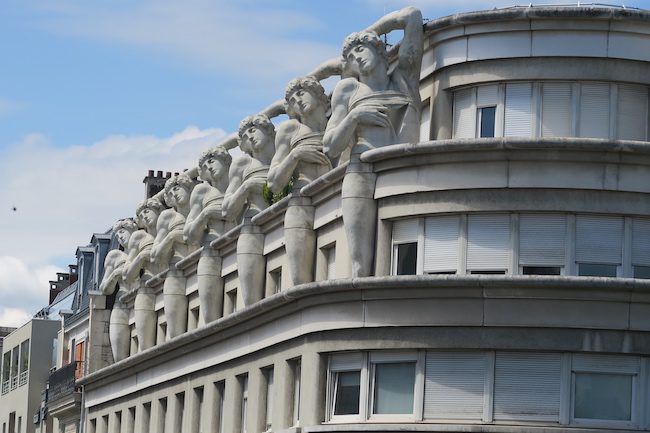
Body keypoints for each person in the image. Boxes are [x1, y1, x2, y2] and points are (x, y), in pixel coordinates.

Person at [323, 6, 423, 277]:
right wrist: (354, 117)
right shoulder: (349, 91)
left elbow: (412, 15)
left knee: (407, 249)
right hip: (361, 168)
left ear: (379, 51)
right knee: (360, 266)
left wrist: (371, 32)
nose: (357, 57)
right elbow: (329, 145)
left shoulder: (404, 78)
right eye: (351, 57)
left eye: (361, 50)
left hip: (402, 166)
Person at [267, 76, 333, 286]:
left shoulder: (337, 120)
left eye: (301, 93)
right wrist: (295, 156)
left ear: (317, 94)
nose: (298, 101)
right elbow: (273, 184)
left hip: (333, 195)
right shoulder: (290, 131)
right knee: (299, 279)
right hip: (300, 200)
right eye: (292, 99)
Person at [223, 114, 276, 305]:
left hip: (280, 219)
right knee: (250, 297)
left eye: (253, 131)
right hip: (251, 225)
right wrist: (246, 188)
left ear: (268, 129)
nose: (250, 138)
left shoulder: (283, 152)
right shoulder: (243, 165)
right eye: (244, 137)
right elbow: (227, 210)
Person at [184, 145, 232, 323]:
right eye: (204, 166)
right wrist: (205, 214)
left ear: (225, 160)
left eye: (211, 161)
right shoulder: (202, 192)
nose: (209, 168)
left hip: (235, 244)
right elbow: (188, 235)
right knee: (209, 315)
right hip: (209, 250)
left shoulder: (238, 179)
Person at [151, 173, 196, 339]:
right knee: (175, 331)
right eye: (169, 193)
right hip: (175, 270)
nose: (174, 194)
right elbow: (155, 255)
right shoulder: (168, 217)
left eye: (177, 189)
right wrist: (170, 238)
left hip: (198, 264)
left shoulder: (199, 203)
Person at [124, 197, 165, 351]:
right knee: (145, 344)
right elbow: (127, 275)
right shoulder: (140, 238)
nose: (145, 216)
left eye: (147, 212)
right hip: (146, 288)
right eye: (141, 215)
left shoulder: (169, 225)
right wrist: (141, 257)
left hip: (167, 282)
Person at [99, 218, 138, 362]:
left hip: (140, 296)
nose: (120, 236)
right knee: (119, 357)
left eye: (122, 232)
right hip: (121, 302)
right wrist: (115, 274)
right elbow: (105, 289)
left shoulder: (144, 245)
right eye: (117, 235)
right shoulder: (115, 256)